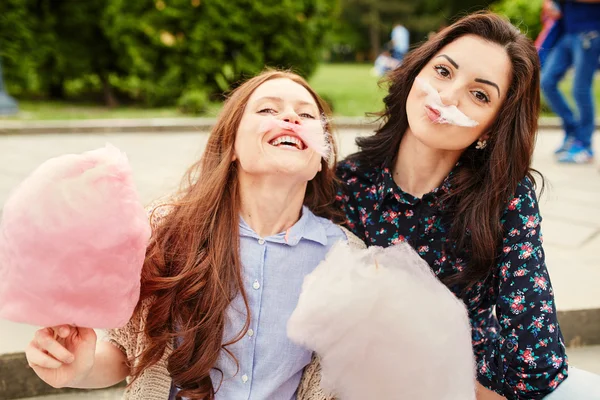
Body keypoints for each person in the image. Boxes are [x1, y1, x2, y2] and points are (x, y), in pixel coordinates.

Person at [23, 70, 365, 399]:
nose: (291, 118)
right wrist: (77, 368)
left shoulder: (346, 259)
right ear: (231, 146)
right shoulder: (163, 232)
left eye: (306, 115)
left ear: (320, 159)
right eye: (268, 109)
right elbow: (128, 354)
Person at [336, 12, 600, 400]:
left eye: (480, 94)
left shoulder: (505, 197)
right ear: (416, 72)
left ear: (492, 126)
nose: (447, 96)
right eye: (443, 71)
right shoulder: (348, 184)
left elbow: (538, 360)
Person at [540, 0, 600, 163]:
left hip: (590, 31)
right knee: (546, 81)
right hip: (567, 31)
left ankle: (584, 145)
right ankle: (572, 131)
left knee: (581, 89)